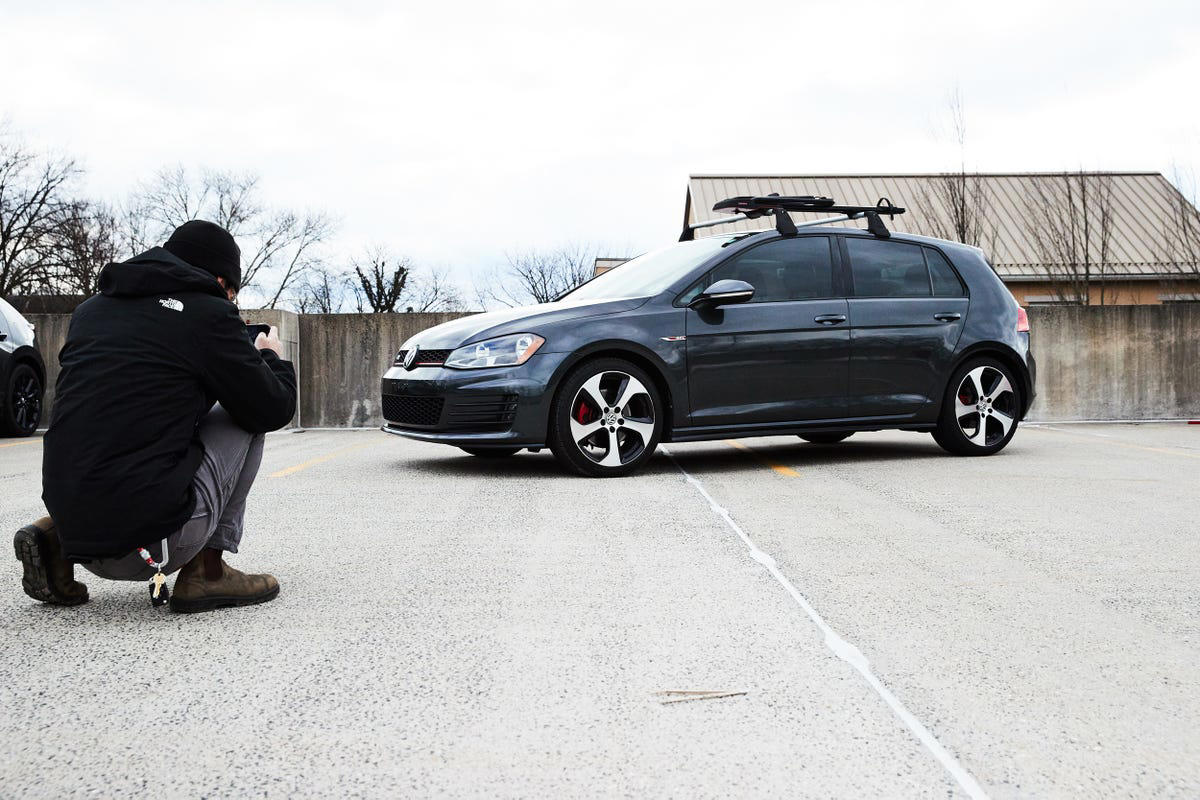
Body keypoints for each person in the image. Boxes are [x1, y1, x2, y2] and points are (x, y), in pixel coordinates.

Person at [13, 220, 297, 613]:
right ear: (218, 280)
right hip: (154, 546)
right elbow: (273, 407)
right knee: (246, 416)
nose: (230, 301)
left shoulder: (90, 312)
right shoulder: (208, 313)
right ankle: (207, 572)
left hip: (79, 532)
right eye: (231, 293)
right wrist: (269, 357)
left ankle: (56, 541)